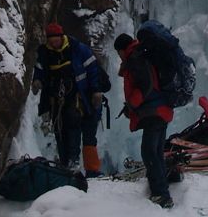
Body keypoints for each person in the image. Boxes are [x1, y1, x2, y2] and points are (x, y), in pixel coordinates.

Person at [31, 22, 109, 177]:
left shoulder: (78, 49)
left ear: (62, 37)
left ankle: (90, 168)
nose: (54, 42)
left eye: (56, 39)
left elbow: (93, 70)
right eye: (51, 40)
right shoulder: (45, 53)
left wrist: (95, 91)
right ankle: (68, 164)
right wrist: (37, 80)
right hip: (60, 100)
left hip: (83, 97)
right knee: (63, 131)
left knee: (85, 131)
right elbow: (39, 70)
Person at [115, 32, 174, 209]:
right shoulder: (140, 55)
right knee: (156, 152)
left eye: (118, 52)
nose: (119, 56)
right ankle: (161, 188)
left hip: (153, 111)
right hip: (161, 109)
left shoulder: (136, 59)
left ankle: (161, 194)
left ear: (122, 49)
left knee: (149, 152)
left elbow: (145, 85)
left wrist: (132, 105)